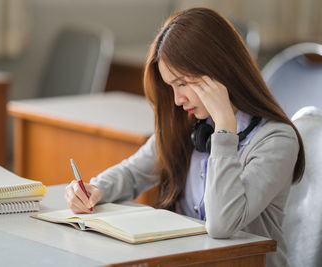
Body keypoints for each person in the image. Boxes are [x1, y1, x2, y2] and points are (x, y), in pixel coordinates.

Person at [65, 7, 304, 267]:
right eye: (172, 87)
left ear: (218, 71)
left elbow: (222, 224)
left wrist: (225, 126)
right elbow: (133, 173)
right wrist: (95, 189)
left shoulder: (276, 140)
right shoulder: (194, 125)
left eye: (182, 84)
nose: (178, 100)